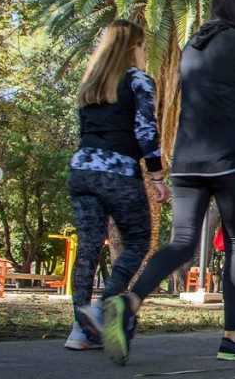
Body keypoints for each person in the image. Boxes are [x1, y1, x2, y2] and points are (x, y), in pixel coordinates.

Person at [101, 0, 235, 365]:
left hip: (187, 161)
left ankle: (130, 301)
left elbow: (219, 92)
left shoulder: (193, 44)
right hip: (229, 160)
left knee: (181, 242)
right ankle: (232, 338)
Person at [65, 20, 170, 350]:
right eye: (142, 46)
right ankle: (103, 309)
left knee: (88, 247)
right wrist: (157, 175)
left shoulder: (89, 85)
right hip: (118, 172)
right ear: (133, 47)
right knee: (138, 239)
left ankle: (80, 328)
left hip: (82, 170)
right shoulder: (138, 80)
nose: (143, 52)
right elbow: (146, 131)